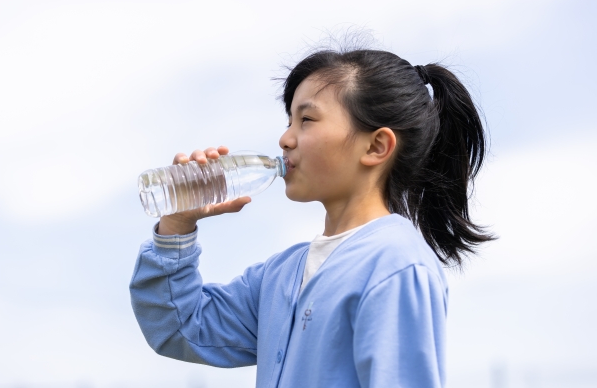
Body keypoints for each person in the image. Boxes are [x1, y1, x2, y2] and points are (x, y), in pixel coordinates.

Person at [129, 48, 495, 387]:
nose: (285, 139)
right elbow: (180, 328)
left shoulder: (395, 265)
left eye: (306, 119)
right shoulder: (280, 275)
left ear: (376, 146)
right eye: (289, 121)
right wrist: (178, 224)